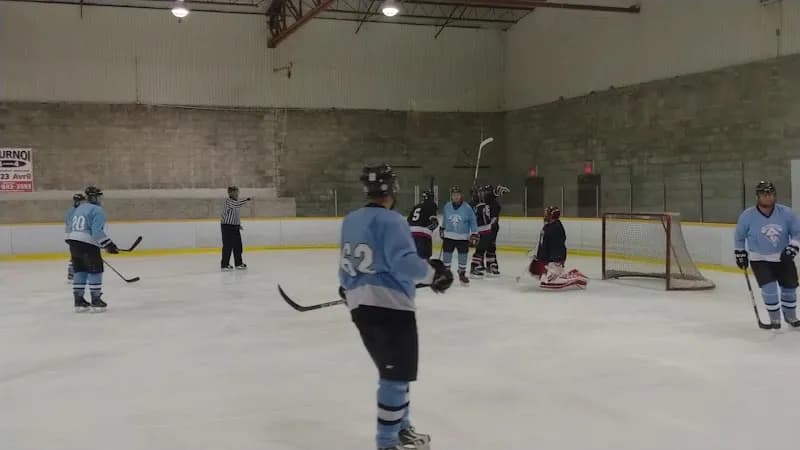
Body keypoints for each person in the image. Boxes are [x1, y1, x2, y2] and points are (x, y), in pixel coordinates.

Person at [339, 164, 453, 450]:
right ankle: (387, 442)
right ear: (392, 189)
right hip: (390, 310)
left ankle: (402, 427)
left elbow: (346, 266)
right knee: (394, 376)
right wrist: (433, 274)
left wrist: (347, 289)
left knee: (396, 373)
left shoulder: (351, 219)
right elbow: (404, 262)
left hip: (360, 307)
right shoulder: (393, 221)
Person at [734, 181, 800, 329]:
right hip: (760, 259)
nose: (768, 197)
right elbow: (739, 237)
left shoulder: (786, 213)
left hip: (783, 257)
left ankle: (790, 316)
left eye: (770, 193)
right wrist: (740, 252)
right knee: (769, 290)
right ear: (758, 196)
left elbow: (798, 232)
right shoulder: (747, 215)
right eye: (764, 194)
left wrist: (793, 247)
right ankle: (775, 319)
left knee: (789, 289)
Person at [65, 186, 118, 312]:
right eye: (99, 196)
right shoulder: (98, 210)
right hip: (87, 244)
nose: (101, 199)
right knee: (95, 270)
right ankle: (96, 300)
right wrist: (109, 245)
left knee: (80, 270)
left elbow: (72, 227)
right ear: (95, 197)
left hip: (73, 242)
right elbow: (96, 232)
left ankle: (78, 301)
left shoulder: (80, 208)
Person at [522, 206, 587, 290]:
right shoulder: (548, 226)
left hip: (555, 259)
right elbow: (543, 244)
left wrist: (556, 261)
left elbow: (558, 247)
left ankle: (576, 278)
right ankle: (564, 274)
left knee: (547, 283)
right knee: (537, 273)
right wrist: (538, 257)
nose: (545, 216)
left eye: (547, 214)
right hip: (549, 259)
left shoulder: (556, 228)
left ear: (552, 215)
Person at [441, 185, 478, 284]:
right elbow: (445, 218)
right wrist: (442, 228)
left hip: (463, 237)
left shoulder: (467, 208)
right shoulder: (447, 206)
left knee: (463, 255)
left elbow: (473, 221)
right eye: (454, 195)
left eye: (458, 194)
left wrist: (474, 233)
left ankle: (462, 273)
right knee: (446, 255)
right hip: (449, 236)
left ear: (461, 195)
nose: (456, 196)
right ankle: (446, 273)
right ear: (451, 196)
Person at [470, 184, 509, 278]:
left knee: (491, 246)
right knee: (481, 247)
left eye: (486, 192)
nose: (484, 194)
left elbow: (494, 215)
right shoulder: (476, 203)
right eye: (482, 192)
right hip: (482, 229)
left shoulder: (493, 203)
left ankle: (490, 264)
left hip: (492, 228)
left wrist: (496, 192)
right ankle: (476, 265)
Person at [220, 186, 252, 271]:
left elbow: (236, 215)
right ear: (230, 193)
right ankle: (224, 265)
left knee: (238, 246)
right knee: (227, 246)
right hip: (227, 226)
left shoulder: (235, 202)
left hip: (234, 227)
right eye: (236, 192)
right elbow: (236, 205)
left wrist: (238, 224)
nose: (237, 194)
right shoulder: (229, 202)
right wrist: (246, 200)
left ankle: (238, 263)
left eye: (238, 192)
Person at [407, 189, 438, 259]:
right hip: (423, 235)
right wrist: (428, 230)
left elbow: (409, 220)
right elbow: (434, 223)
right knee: (424, 259)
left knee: (413, 257)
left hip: (411, 234)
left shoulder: (416, 206)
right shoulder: (432, 205)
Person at [66, 192, 86, 281]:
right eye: (80, 201)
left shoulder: (75, 210)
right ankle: (72, 272)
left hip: (74, 236)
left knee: (78, 254)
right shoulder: (73, 211)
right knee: (76, 255)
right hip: (73, 236)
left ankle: (75, 272)